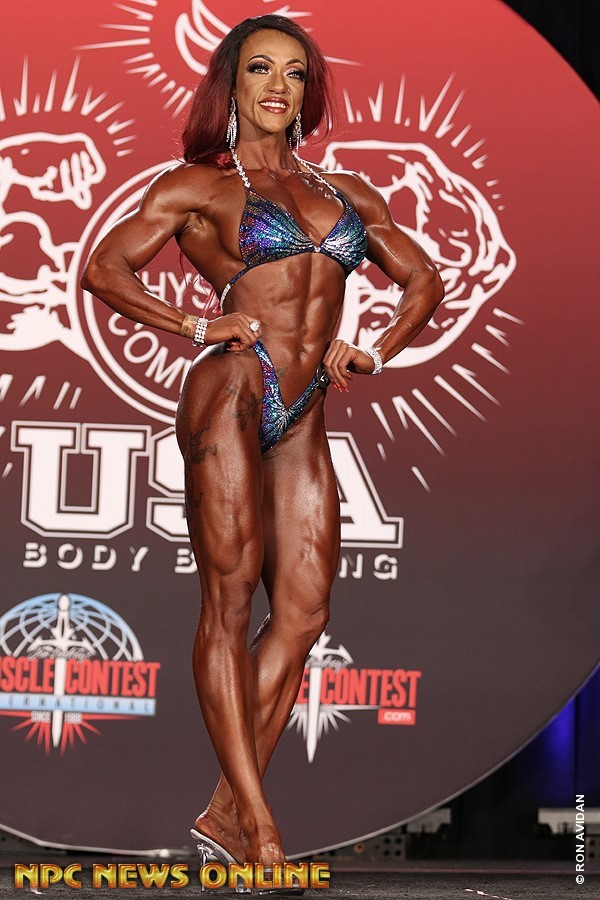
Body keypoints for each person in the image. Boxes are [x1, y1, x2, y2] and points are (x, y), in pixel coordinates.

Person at [81, 13, 444, 873]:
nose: (277, 86)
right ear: (232, 85)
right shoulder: (199, 185)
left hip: (306, 406)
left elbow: (423, 278)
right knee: (231, 601)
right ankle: (260, 827)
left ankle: (223, 815)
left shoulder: (349, 194)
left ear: (307, 91)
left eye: (293, 71)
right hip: (233, 392)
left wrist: (377, 349)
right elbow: (103, 267)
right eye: (259, 70)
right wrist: (194, 324)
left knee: (307, 614)